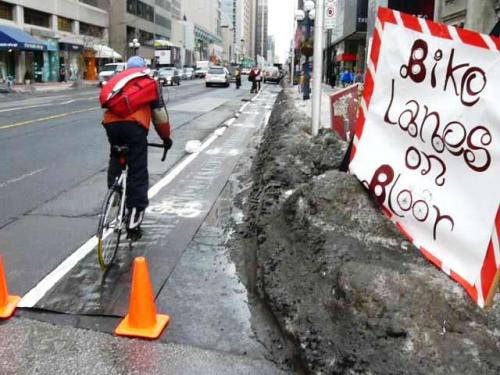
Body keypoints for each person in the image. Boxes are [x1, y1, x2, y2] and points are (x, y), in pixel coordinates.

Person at [101, 56, 172, 240]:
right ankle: (133, 221)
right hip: (135, 128)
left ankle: (114, 192)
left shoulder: (118, 80)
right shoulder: (149, 83)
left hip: (111, 125)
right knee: (137, 171)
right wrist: (165, 138)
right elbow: (159, 115)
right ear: (144, 68)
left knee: (116, 155)